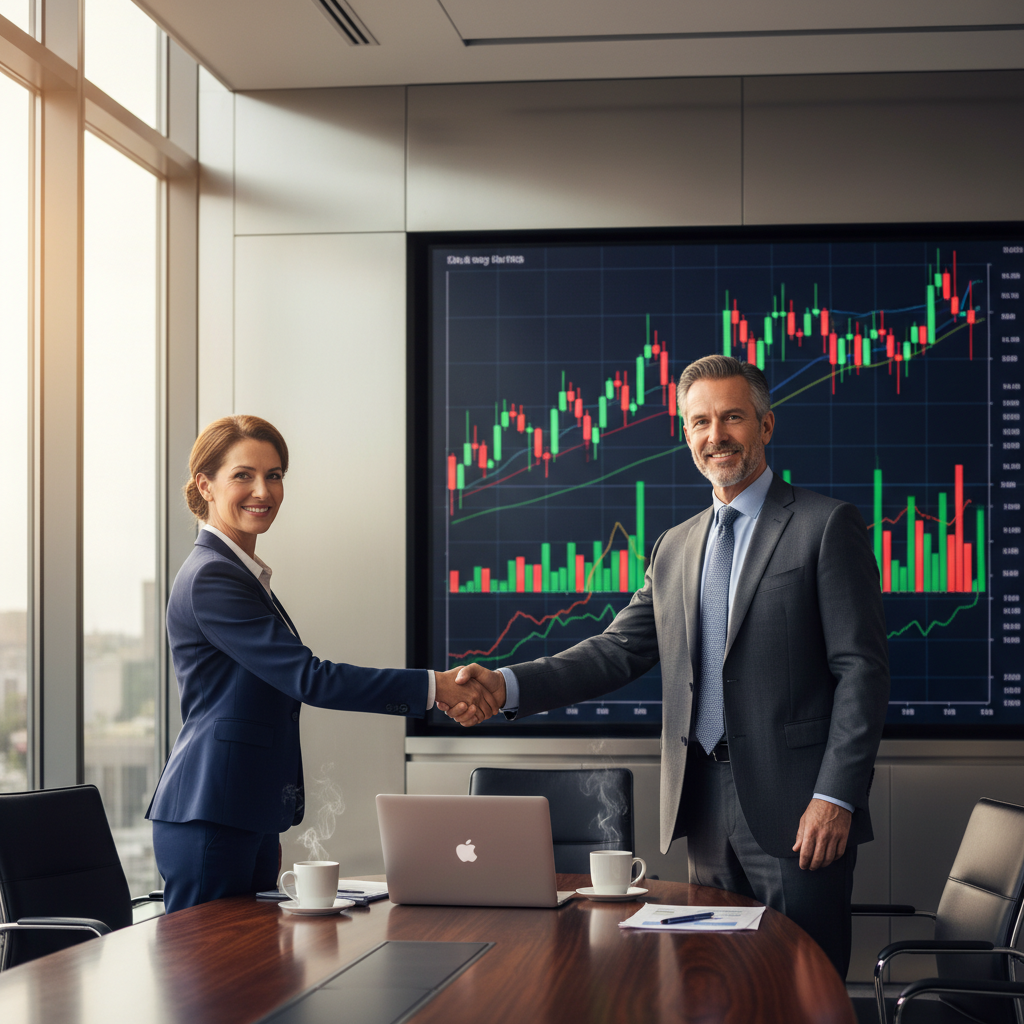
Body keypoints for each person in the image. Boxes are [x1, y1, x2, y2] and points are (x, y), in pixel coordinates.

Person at [440, 354, 890, 976]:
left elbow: (861, 670)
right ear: (685, 434)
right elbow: (615, 650)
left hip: (799, 812)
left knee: (803, 987)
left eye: (732, 417)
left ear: (765, 425)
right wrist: (506, 684)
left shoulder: (823, 526)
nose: (716, 435)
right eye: (700, 422)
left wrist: (835, 796)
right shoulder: (675, 546)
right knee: (717, 984)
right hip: (703, 806)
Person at [147, 415, 498, 913]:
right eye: (243, 475)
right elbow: (308, 677)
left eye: (275, 475)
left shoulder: (239, 574)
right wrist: (434, 687)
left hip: (243, 806)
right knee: (208, 976)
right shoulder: (212, 577)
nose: (262, 490)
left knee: (249, 973)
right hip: (212, 810)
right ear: (205, 484)